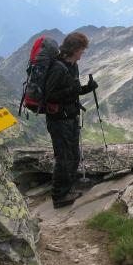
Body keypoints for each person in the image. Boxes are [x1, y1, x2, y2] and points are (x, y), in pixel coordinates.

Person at [44, 32, 98, 208]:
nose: (83, 53)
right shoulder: (58, 68)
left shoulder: (73, 65)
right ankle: (59, 196)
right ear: (74, 49)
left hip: (71, 116)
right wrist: (72, 92)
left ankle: (68, 189)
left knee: (74, 155)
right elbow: (48, 96)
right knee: (63, 157)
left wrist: (87, 88)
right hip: (58, 120)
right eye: (82, 49)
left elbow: (73, 90)